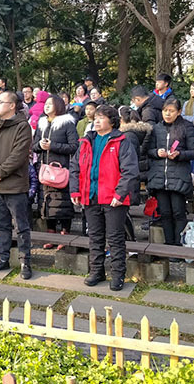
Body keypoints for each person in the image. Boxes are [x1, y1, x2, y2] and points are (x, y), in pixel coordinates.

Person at [70, 105, 138, 291]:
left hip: (113, 198)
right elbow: (75, 167)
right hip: (90, 196)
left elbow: (130, 171)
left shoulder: (121, 141)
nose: (97, 120)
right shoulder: (87, 141)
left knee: (115, 238)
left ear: (112, 121)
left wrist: (120, 194)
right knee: (95, 237)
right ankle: (96, 271)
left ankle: (117, 275)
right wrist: (75, 191)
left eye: (101, 117)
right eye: (96, 118)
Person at [0, 91, 33, 279]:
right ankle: (2, 258)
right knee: (2, 225)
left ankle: (25, 261)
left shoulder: (22, 127)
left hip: (15, 185)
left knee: (21, 226)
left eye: (1, 102)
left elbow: (19, 155)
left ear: (12, 105)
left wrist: (0, 172)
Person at [147, 98, 194, 247]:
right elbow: (149, 151)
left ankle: (179, 244)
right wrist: (157, 152)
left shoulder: (187, 127)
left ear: (179, 112)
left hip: (179, 176)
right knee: (164, 213)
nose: (167, 114)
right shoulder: (156, 128)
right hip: (159, 177)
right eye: (165, 111)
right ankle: (169, 244)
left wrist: (180, 154)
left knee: (178, 212)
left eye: (171, 111)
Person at [33, 95, 78, 249]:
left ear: (58, 106)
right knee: (47, 202)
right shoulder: (42, 123)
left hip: (62, 169)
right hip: (45, 169)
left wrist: (53, 146)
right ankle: (50, 235)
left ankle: (65, 235)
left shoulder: (67, 123)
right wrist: (40, 144)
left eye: (50, 104)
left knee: (63, 204)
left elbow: (73, 146)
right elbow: (33, 146)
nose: (46, 106)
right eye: (45, 104)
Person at [118, 106, 152, 184]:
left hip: (134, 175)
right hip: (144, 171)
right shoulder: (142, 131)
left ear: (121, 120)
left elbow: (129, 159)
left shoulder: (128, 135)